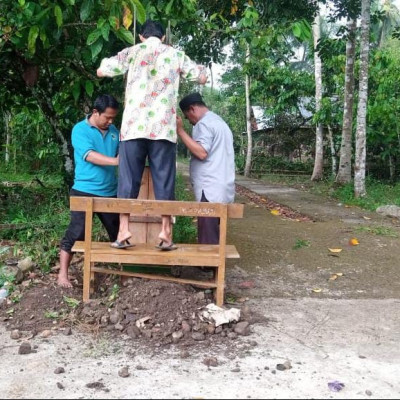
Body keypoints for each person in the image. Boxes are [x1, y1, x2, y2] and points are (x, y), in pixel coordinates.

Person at [96, 20, 208, 250]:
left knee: (128, 179)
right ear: (164, 37)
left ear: (141, 37)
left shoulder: (133, 52)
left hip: (134, 127)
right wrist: (200, 70)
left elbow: (102, 70)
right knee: (164, 180)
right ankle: (165, 232)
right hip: (163, 129)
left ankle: (123, 230)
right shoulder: (176, 54)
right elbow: (202, 77)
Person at [58, 95, 121, 288]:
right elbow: (89, 155)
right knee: (76, 232)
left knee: (119, 234)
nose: (110, 121)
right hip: (84, 191)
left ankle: (123, 273)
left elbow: (121, 152)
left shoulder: (113, 131)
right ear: (95, 112)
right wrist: (116, 161)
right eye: (107, 117)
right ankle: (62, 275)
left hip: (109, 191)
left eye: (113, 118)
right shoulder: (80, 129)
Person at [176, 92, 235, 244]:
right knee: (214, 230)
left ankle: (208, 265)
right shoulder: (219, 121)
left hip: (209, 187)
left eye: (188, 117)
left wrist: (180, 131)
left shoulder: (203, 124)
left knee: (208, 232)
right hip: (222, 184)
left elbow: (201, 152)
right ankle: (213, 266)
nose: (190, 122)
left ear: (192, 109)